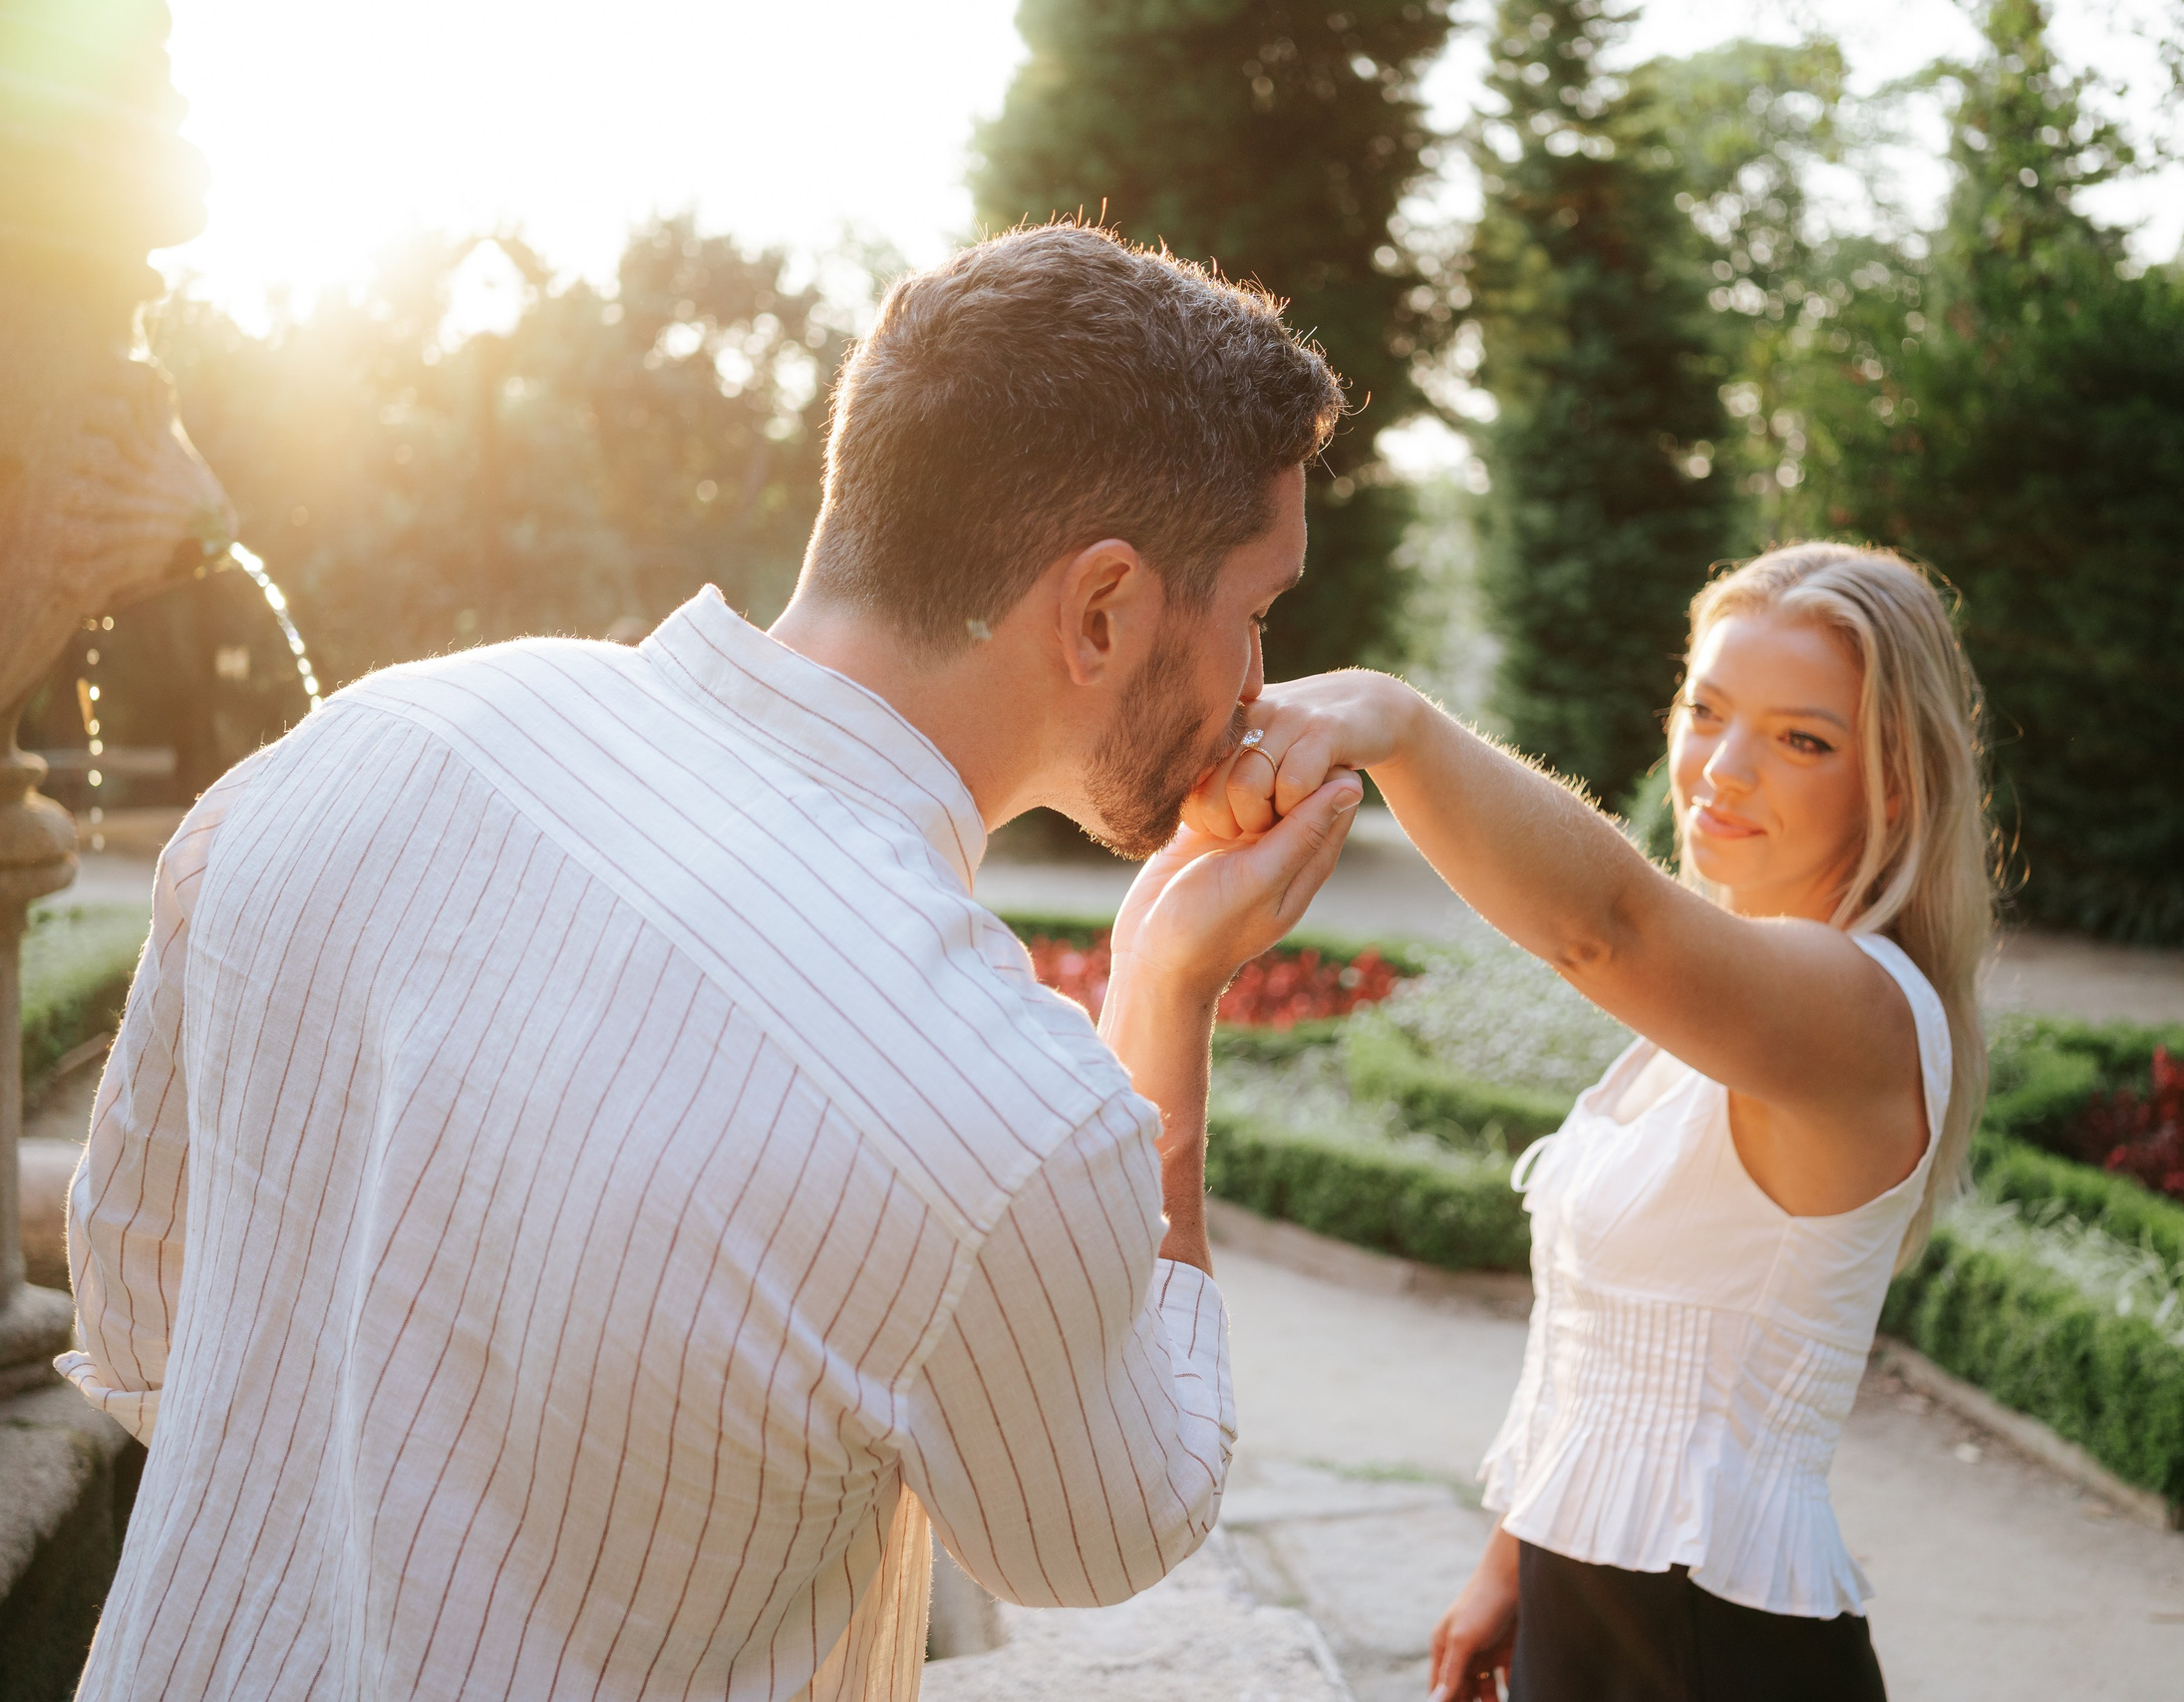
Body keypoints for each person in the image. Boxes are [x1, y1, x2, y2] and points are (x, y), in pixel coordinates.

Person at [58, 222, 1366, 1701]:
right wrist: (1165, 993)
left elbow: (142, 1296)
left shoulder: (363, 736)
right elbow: (1103, 1529)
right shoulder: (1002, 1102)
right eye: (1256, 613)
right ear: (1104, 608)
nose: (1261, 681)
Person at [1192, 544, 1996, 1702]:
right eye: (1705, 710)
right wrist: (1511, 1559)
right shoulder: (1727, 1005)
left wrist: (1398, 725)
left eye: (1800, 739)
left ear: (1899, 785)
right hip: (1603, 1608)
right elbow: (1609, 1357)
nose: (1720, 769)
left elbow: (1605, 926)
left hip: (1708, 1640)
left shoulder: (1856, 1008)